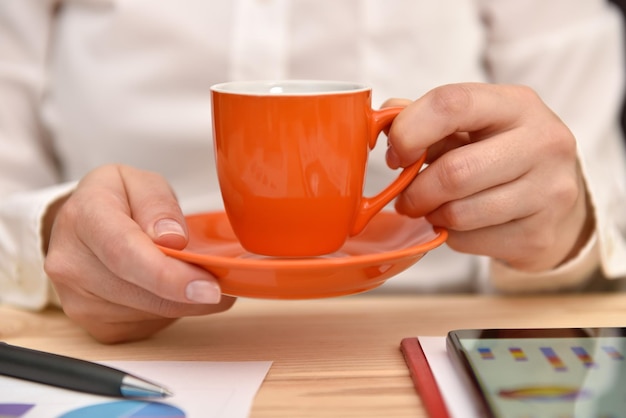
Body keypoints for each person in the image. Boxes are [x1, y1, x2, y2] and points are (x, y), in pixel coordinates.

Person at [1, 1, 625, 344]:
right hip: (143, 342)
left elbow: (602, 188)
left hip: (429, 339)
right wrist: (56, 230)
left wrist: (567, 222)